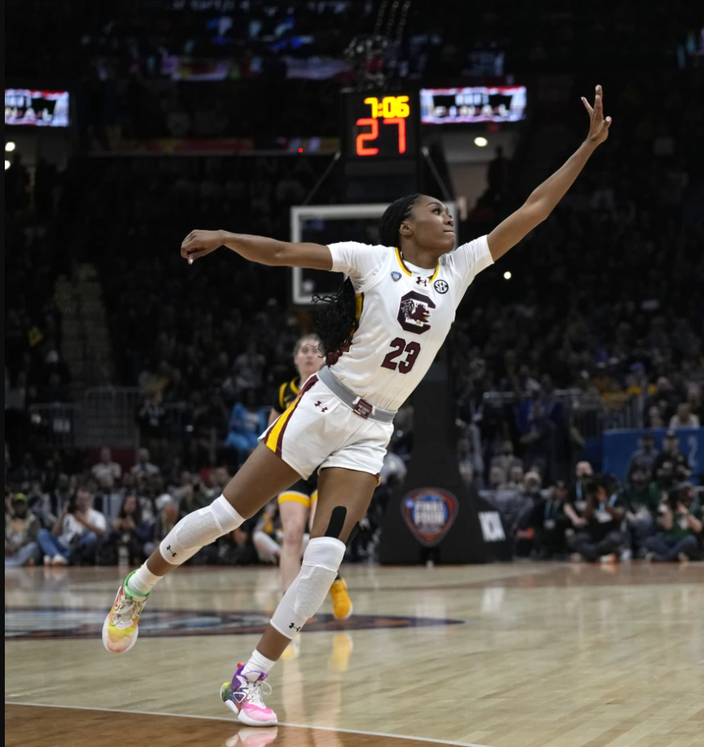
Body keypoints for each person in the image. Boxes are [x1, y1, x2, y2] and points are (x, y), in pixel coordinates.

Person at [101, 86, 613, 727]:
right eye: (434, 209)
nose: (447, 215)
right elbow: (287, 254)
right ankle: (137, 586)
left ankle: (248, 678)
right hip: (323, 408)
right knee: (225, 516)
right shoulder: (371, 260)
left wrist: (586, 147)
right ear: (406, 226)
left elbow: (535, 210)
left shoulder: (460, 269)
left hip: (372, 434)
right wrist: (230, 236)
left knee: (323, 563)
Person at [269, 333, 353, 624]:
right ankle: (288, 606)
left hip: (324, 469)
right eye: (303, 350)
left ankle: (336, 581)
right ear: (295, 359)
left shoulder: (335, 388)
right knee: (291, 535)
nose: (309, 354)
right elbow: (271, 434)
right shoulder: (283, 392)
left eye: (316, 351)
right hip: (292, 469)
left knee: (321, 536)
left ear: (326, 359)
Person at [39, 488, 106, 566]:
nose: (82, 502)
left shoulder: (97, 515)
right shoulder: (68, 515)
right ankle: (56, 556)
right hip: (63, 545)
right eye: (80, 499)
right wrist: (62, 515)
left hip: (77, 548)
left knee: (91, 537)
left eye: (85, 499)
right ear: (76, 501)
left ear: (90, 500)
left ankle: (58, 557)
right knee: (42, 533)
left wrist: (80, 518)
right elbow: (54, 534)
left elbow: (100, 531)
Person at [645, 484, 702, 562]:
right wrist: (668, 506)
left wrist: (686, 514)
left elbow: (698, 528)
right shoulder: (669, 508)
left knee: (691, 540)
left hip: (682, 540)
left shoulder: (693, 508)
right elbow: (668, 526)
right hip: (668, 540)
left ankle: (666, 558)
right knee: (650, 541)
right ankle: (675, 556)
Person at [6, 493, 43, 566]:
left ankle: (13, 563)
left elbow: (34, 538)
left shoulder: (32, 520)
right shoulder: (10, 520)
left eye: (21, 504)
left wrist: (19, 546)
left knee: (33, 547)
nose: (19, 507)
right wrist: (8, 547)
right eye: (17, 505)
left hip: (24, 548)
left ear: (26, 505)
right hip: (10, 550)